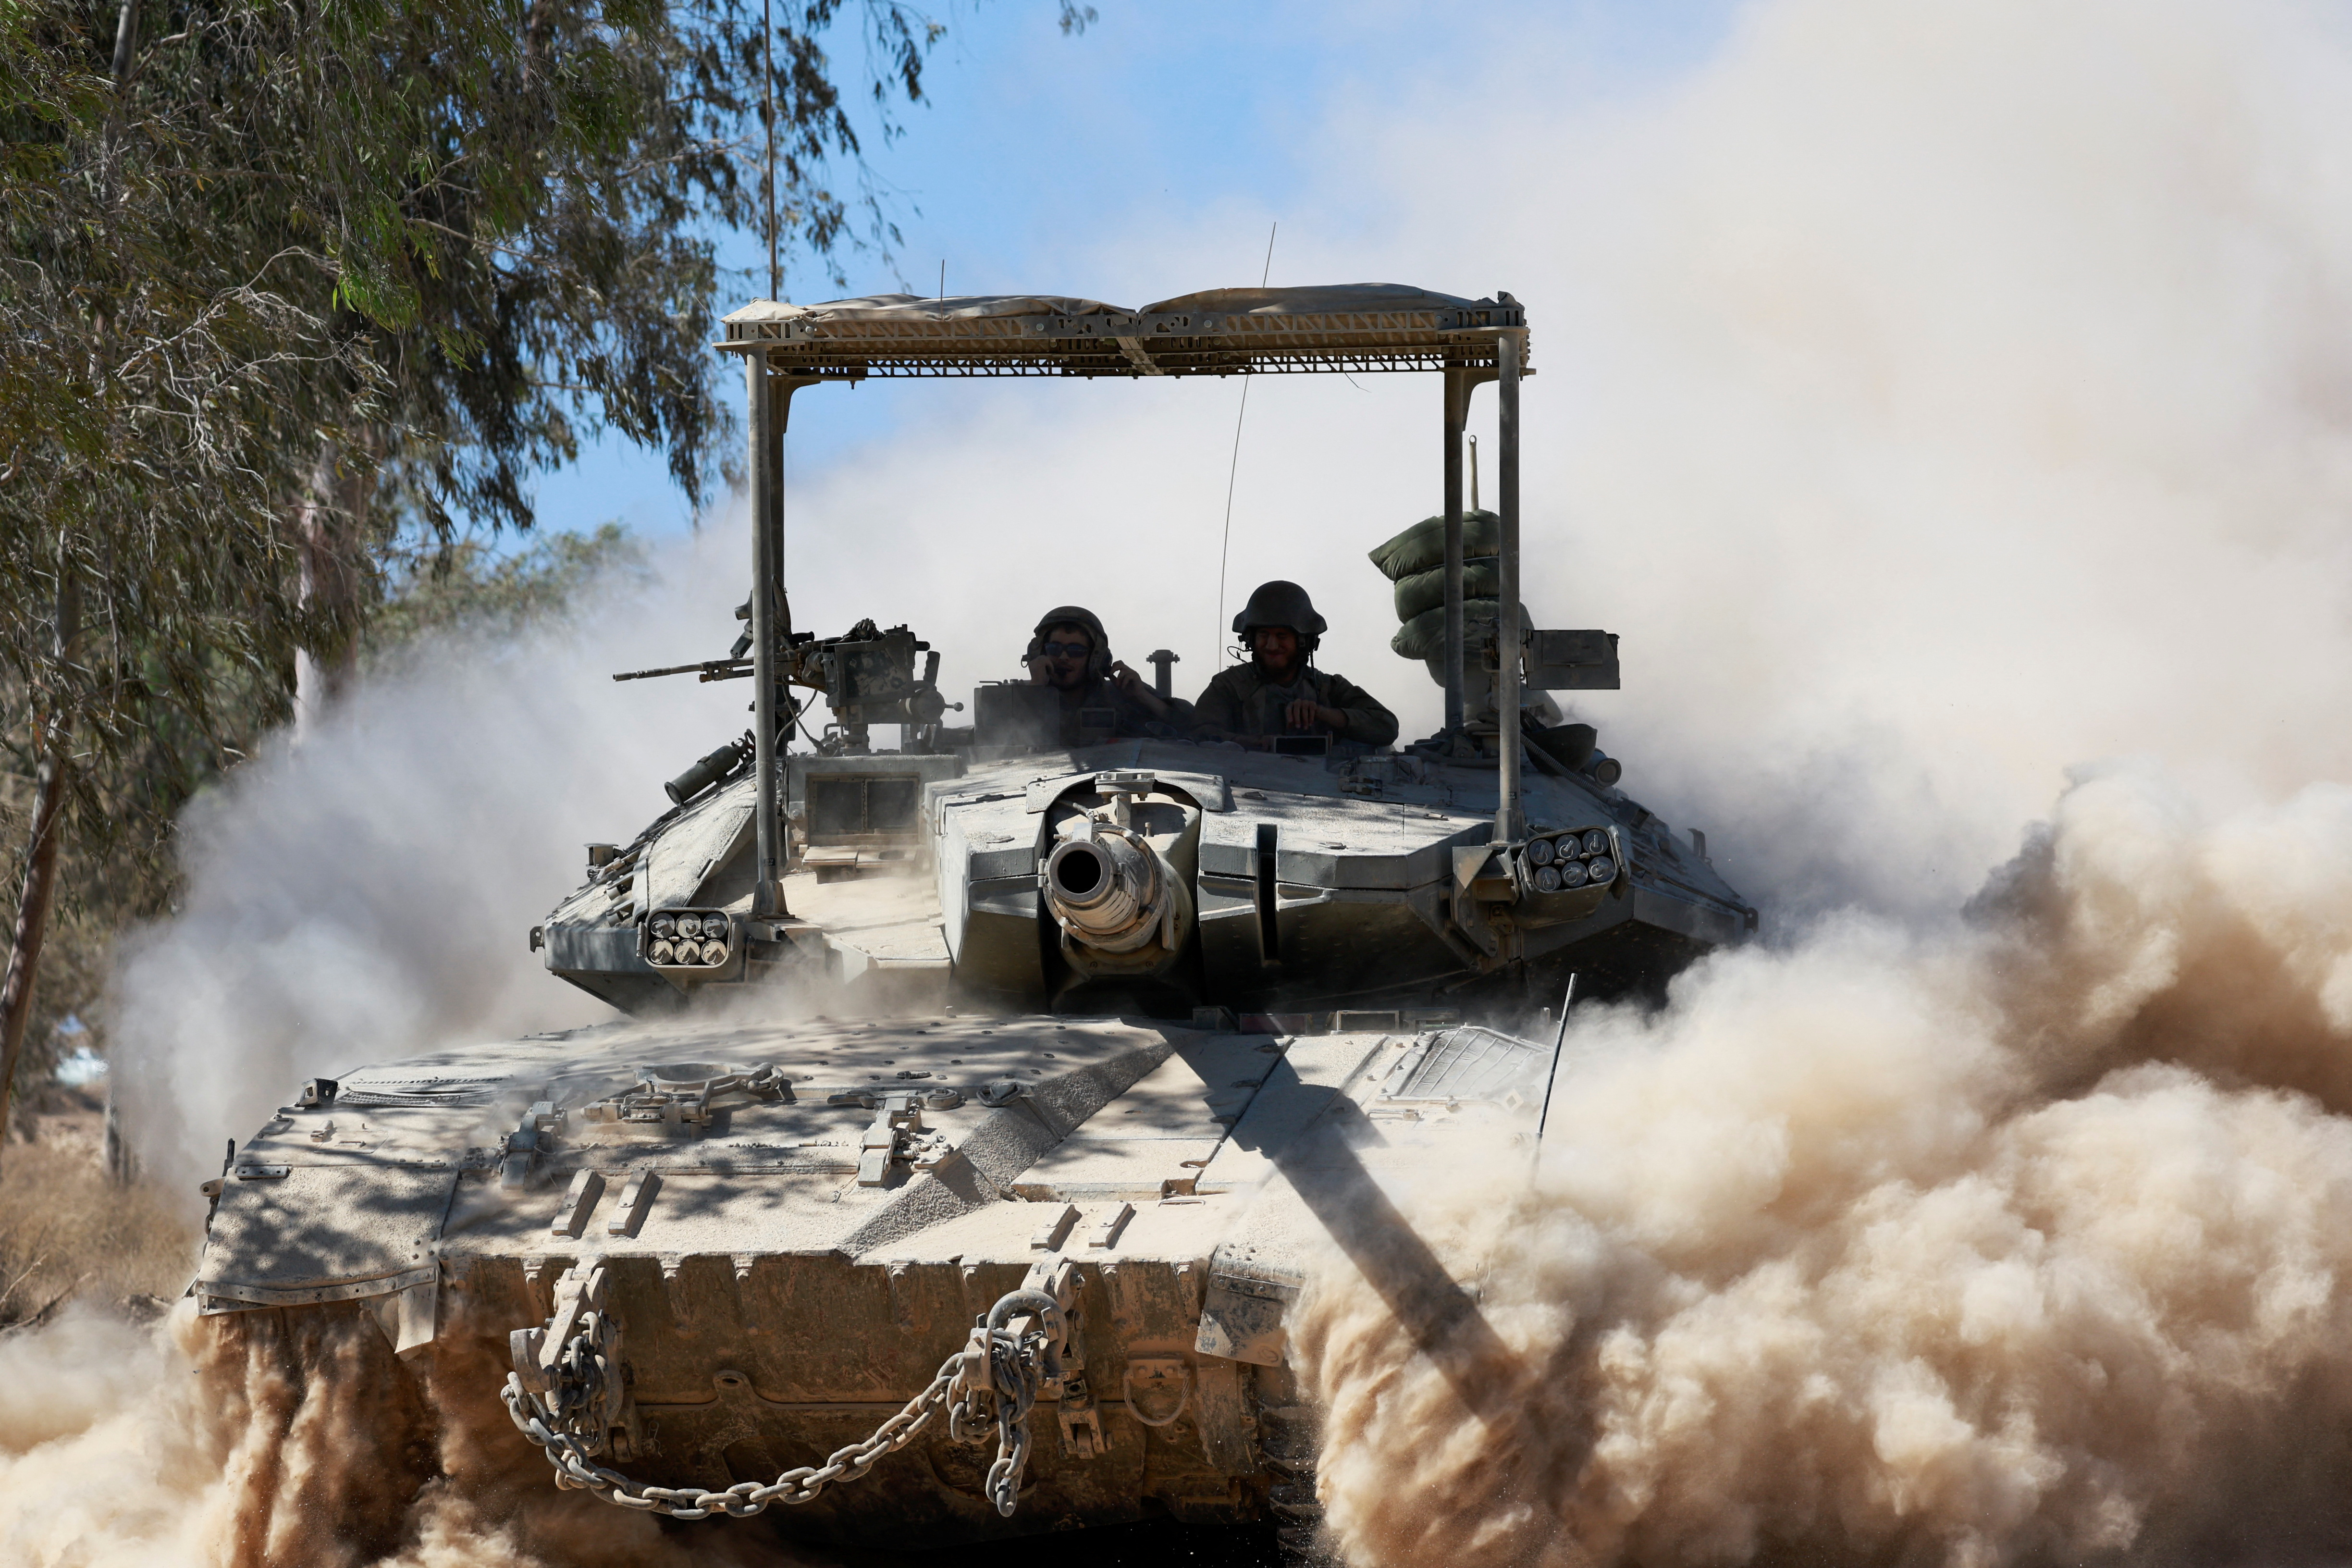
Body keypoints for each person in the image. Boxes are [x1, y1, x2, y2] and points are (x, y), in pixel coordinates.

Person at [1190, 580, 1397, 750]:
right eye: (1264, 635)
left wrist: (1324, 713)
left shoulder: (1327, 688)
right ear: (1250, 639)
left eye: (1282, 636)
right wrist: (1254, 744)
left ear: (1303, 642)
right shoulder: (1230, 687)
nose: (1271, 646)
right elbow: (1201, 731)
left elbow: (1386, 726)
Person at [1024, 605, 1190, 744]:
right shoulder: (1019, 699)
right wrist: (1036, 690)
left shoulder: (1121, 696)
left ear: (1096, 659)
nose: (1063, 657)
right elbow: (1008, 739)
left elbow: (1191, 727)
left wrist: (1142, 696)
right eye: (1055, 649)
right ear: (1040, 653)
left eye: (1076, 651)